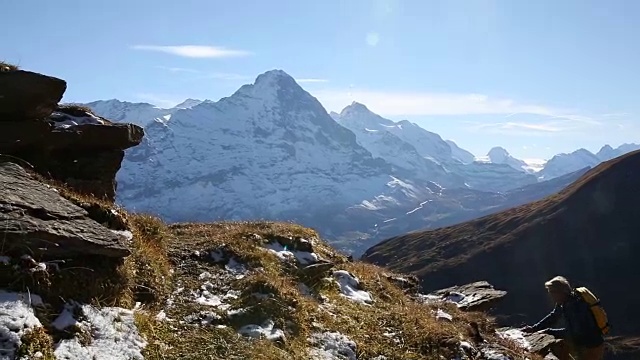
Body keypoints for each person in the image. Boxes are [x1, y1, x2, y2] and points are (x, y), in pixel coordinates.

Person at [521, 276, 605, 360]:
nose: (550, 295)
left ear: (560, 292)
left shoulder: (574, 306)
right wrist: (534, 328)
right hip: (584, 344)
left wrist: (549, 332)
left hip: (591, 346)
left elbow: (573, 332)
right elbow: (553, 316)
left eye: (551, 292)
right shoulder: (564, 302)